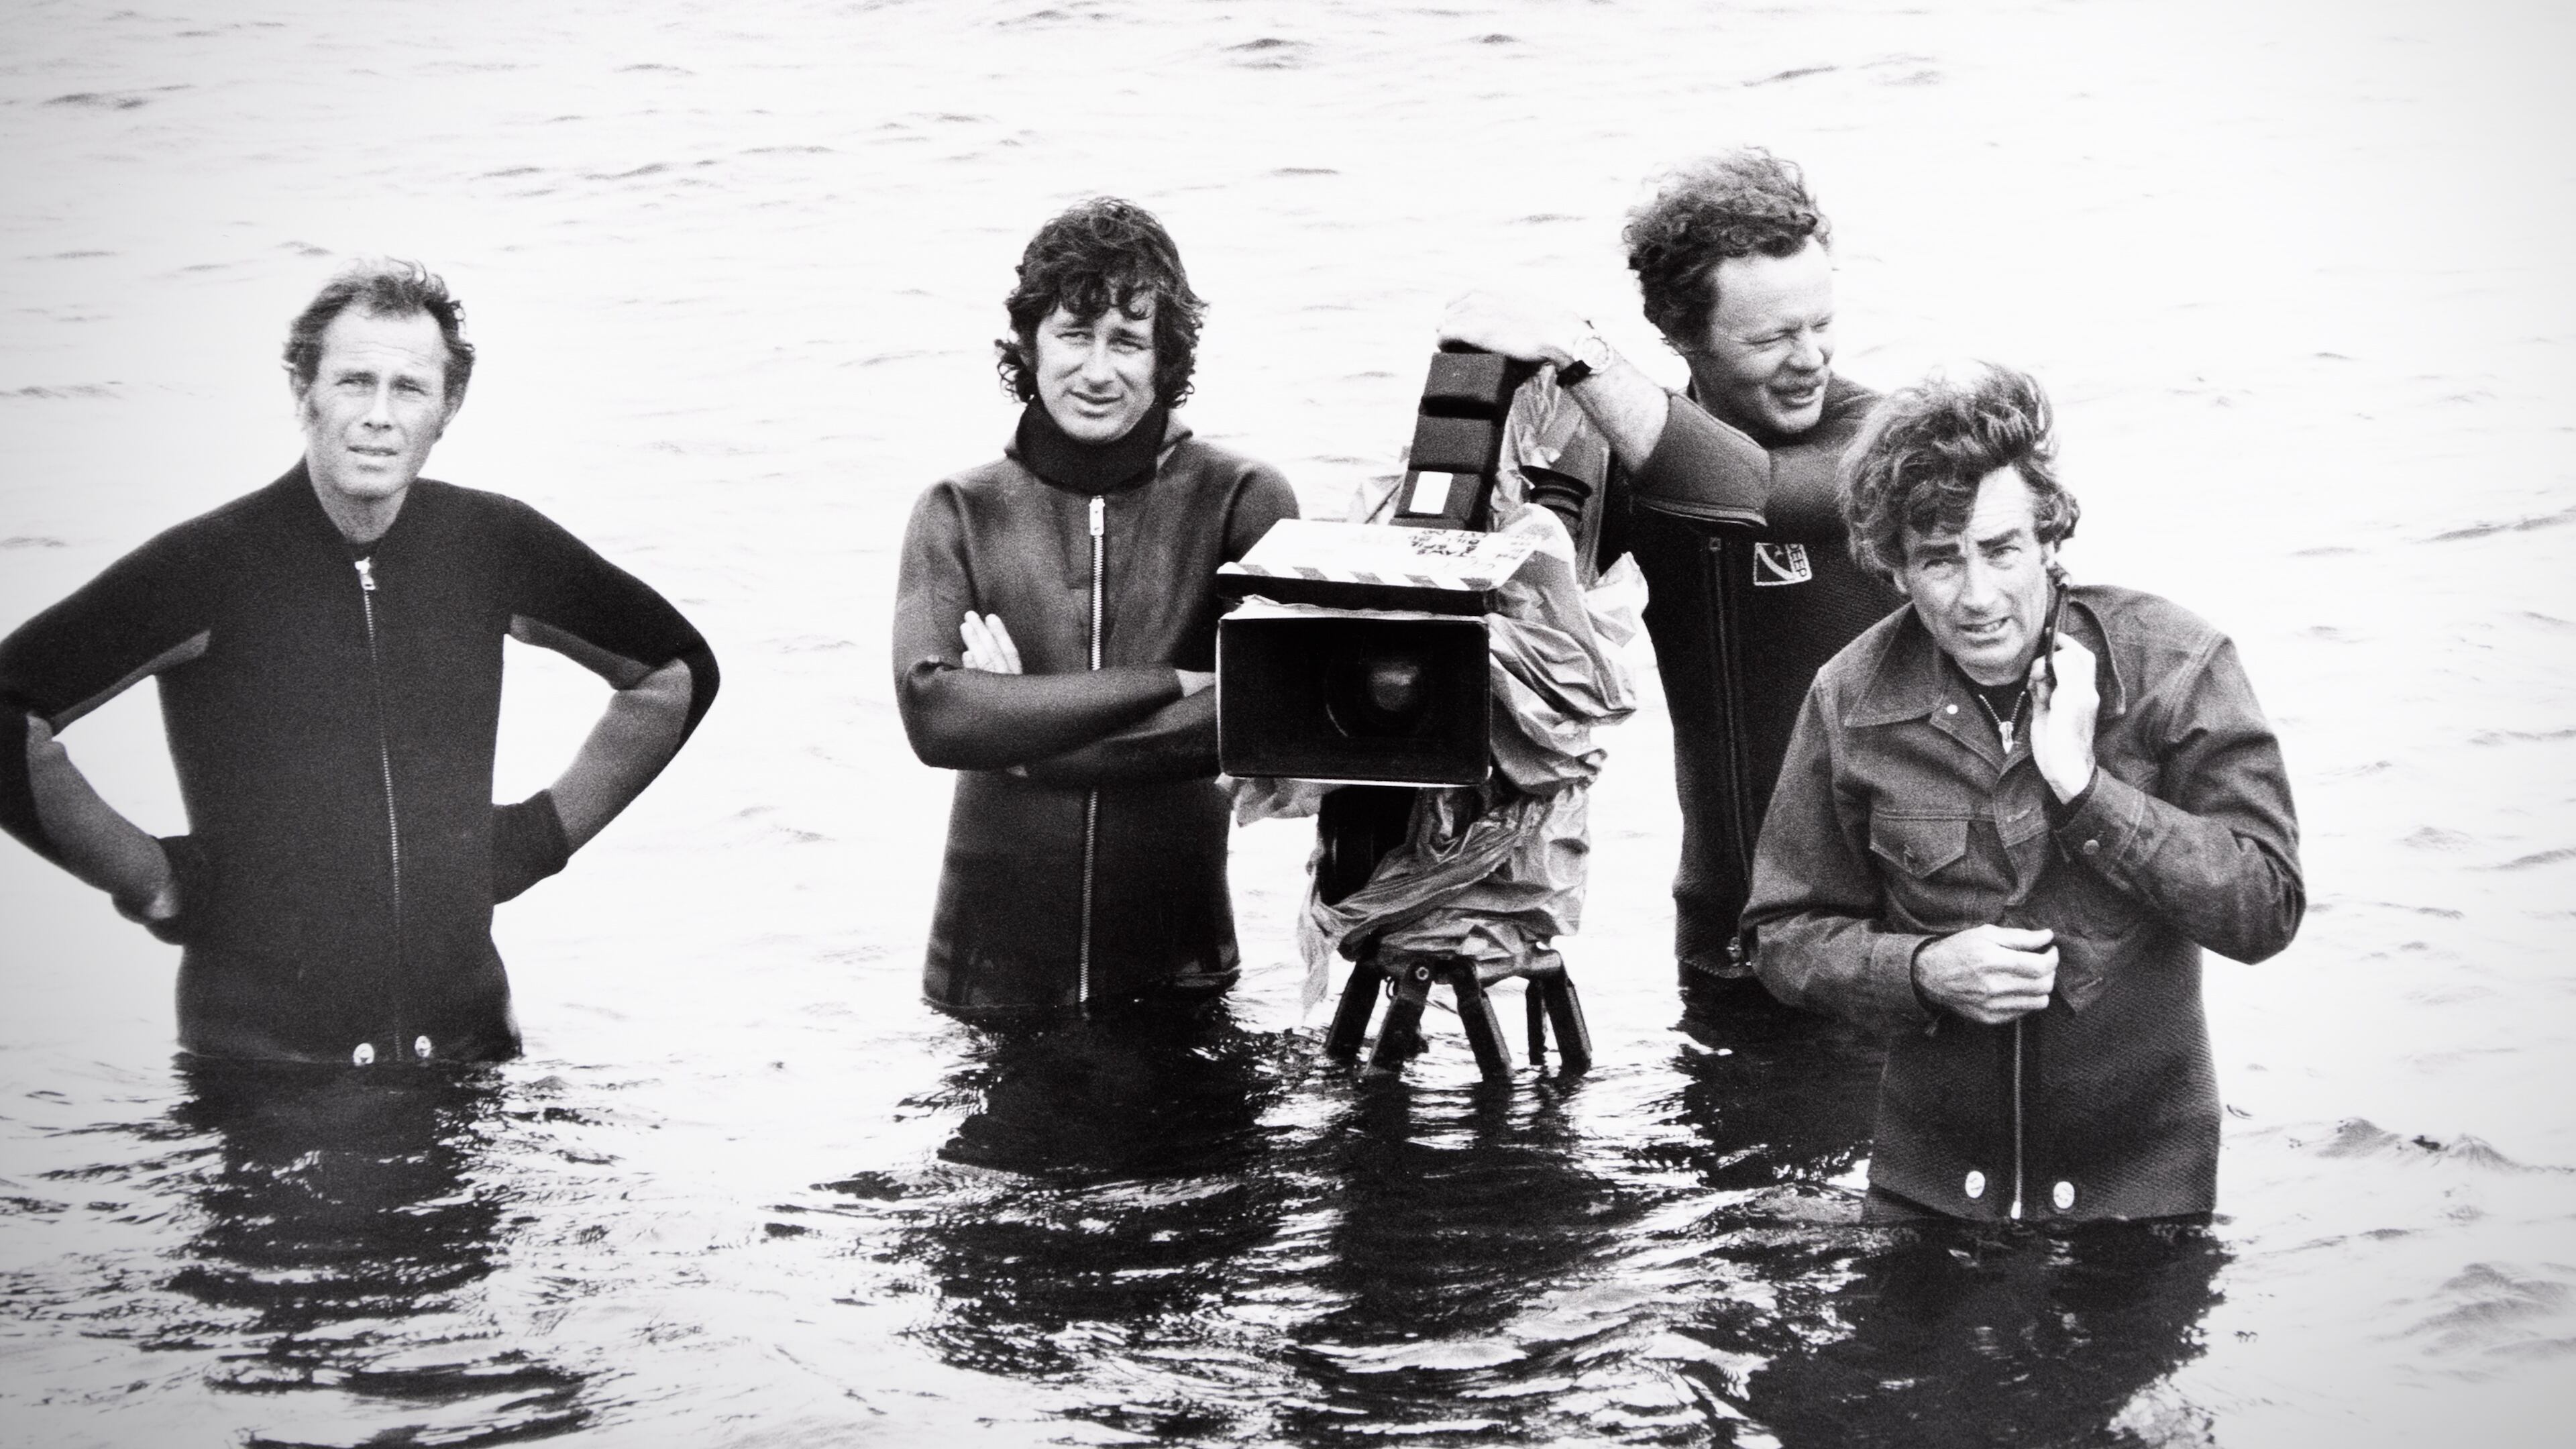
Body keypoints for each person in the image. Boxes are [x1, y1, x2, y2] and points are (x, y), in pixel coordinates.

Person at [0, 260, 719, 1066]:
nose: (378, 415)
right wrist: (150, 877)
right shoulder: (210, 567)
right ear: (303, 390)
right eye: (353, 381)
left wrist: (534, 839)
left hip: (468, 1052)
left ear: (448, 407)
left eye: (409, 389)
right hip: (268, 1071)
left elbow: (673, 673)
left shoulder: (491, 546)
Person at [1743, 365, 2304, 1222]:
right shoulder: (1848, 698)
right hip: (1927, 1193)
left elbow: (2266, 909)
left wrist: (2087, 791)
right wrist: (1923, 971)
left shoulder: (2177, 668)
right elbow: (1783, 938)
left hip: (2140, 1200)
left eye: (2001, 550)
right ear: (1893, 569)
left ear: (2049, 538)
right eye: (1938, 559)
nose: (1977, 597)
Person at [1438, 150, 1892, 989]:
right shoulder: (1624, 453)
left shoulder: (1879, 437)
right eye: (1770, 338)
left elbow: (1747, 492)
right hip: (1720, 926)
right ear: (1679, 334)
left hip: (1879, 935)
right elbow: (1513, 620)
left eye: (1821, 324)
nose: (1810, 359)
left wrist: (1575, 350)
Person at [894, 198, 1298, 1016]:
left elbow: (1267, 713)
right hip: (986, 983)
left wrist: (1027, 734)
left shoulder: (1242, 501)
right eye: (1076, 335)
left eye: (1128, 341)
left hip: (1178, 973)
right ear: (1030, 345)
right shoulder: (958, 509)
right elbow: (939, 720)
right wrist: (1168, 683)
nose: (1099, 370)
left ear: (1166, 356)